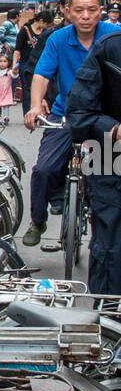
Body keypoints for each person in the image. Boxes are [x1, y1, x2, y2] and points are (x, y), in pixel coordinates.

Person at [21, 0, 121, 246]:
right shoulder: (57, 39)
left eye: (91, 10)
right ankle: (38, 220)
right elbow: (42, 75)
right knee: (44, 169)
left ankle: (103, 235)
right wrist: (34, 106)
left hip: (104, 121)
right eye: (79, 10)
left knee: (107, 178)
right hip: (65, 116)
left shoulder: (114, 37)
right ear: (66, 11)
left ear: (102, 11)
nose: (85, 16)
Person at [66, 29, 121, 292]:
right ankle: (109, 322)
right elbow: (78, 114)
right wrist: (114, 129)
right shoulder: (109, 49)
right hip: (110, 158)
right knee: (112, 248)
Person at [16, 10, 55, 119]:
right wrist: (14, 65)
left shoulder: (45, 33)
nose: (48, 26)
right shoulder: (25, 31)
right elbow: (17, 50)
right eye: (47, 24)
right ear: (41, 21)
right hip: (25, 64)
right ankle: (28, 114)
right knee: (27, 90)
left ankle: (39, 112)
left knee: (42, 89)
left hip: (40, 64)